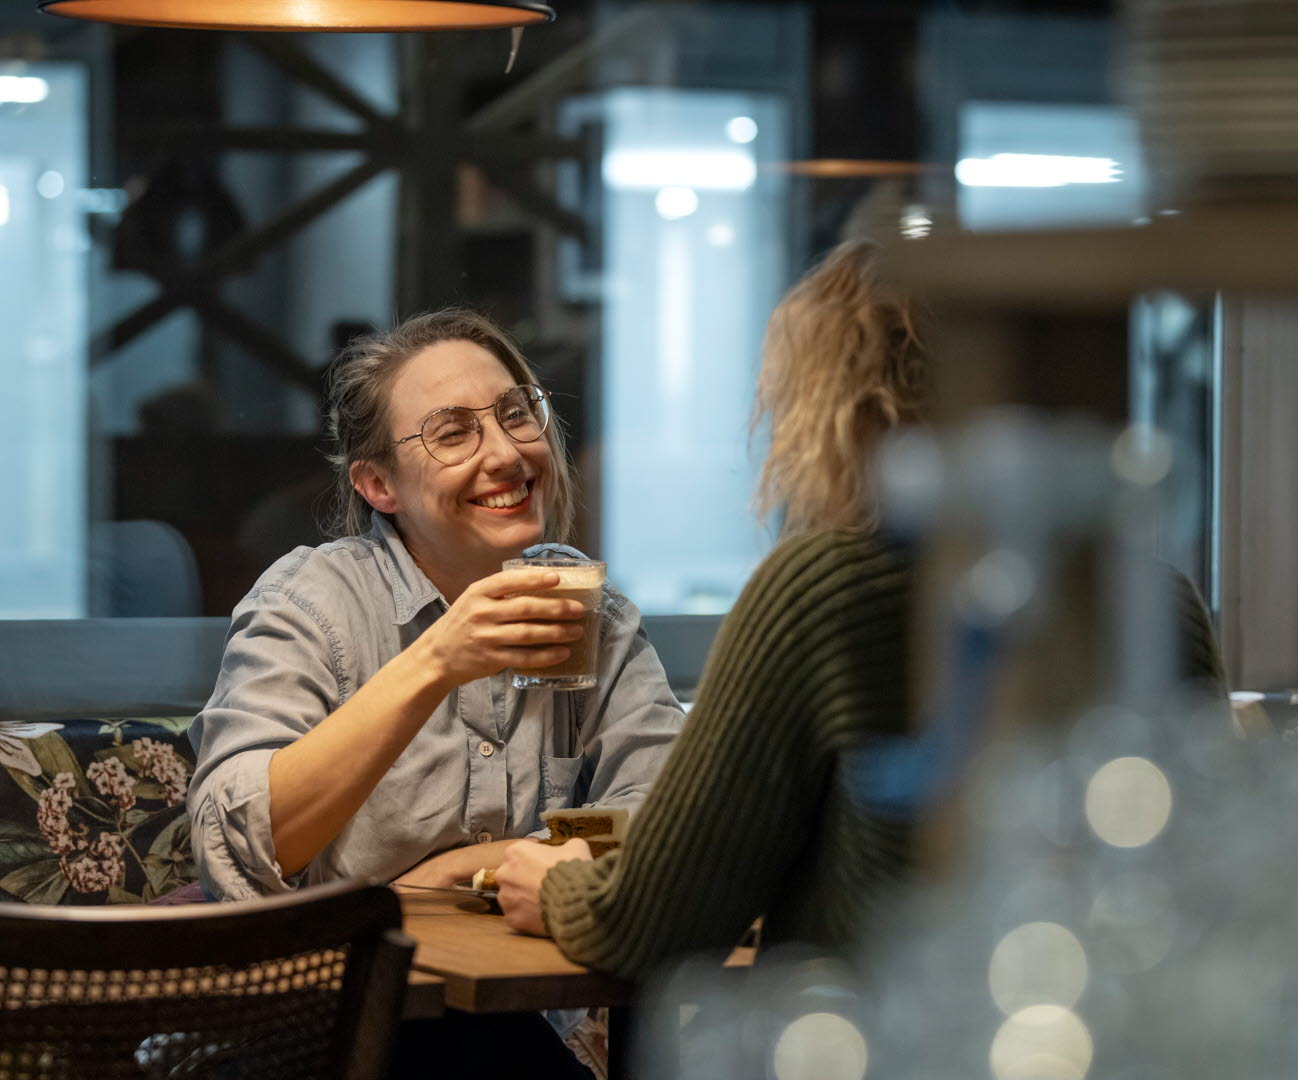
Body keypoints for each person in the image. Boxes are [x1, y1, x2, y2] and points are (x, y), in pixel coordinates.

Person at [494, 238, 1224, 977]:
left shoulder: (821, 588)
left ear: (827, 402)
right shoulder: (1165, 602)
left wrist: (557, 887)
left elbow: (650, 921)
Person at [187, 308, 683, 903]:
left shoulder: (594, 617)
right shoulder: (312, 601)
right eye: (453, 434)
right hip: (356, 985)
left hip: (533, 983)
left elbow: (667, 813)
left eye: (516, 415)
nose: (505, 455)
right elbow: (234, 842)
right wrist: (436, 661)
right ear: (379, 486)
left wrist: (483, 863)